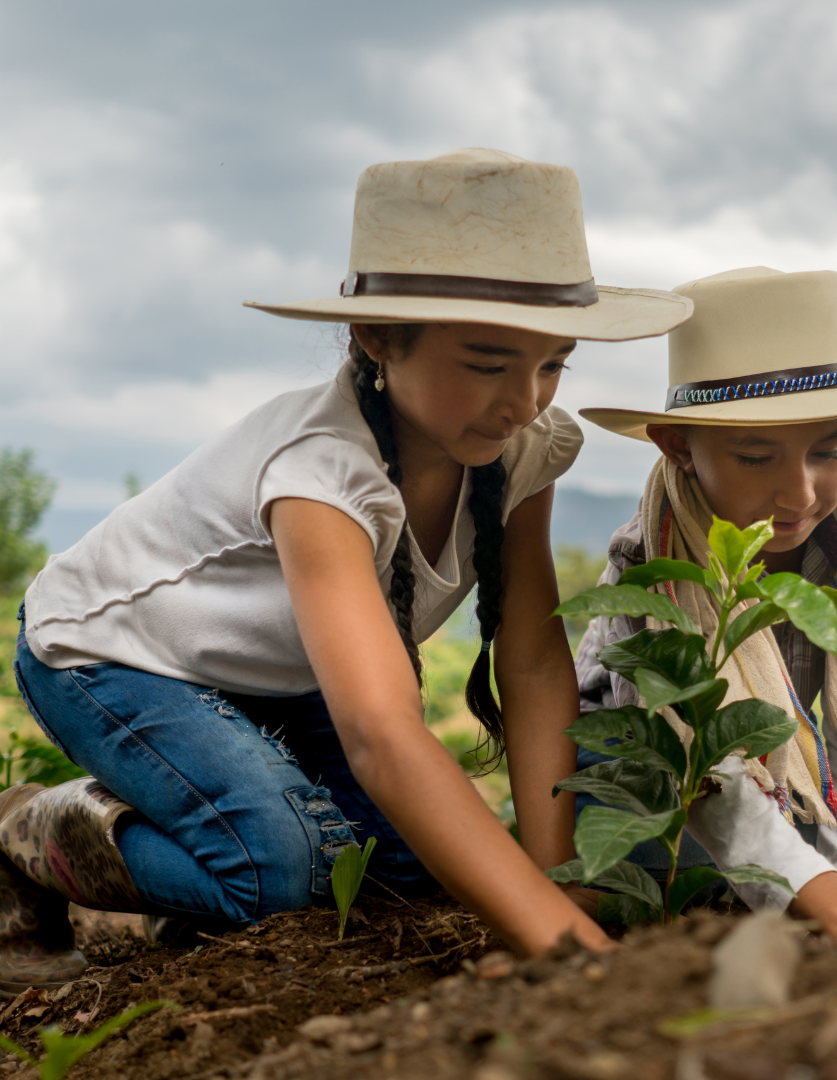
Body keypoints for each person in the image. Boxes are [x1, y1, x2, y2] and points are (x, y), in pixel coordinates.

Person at [0, 148, 694, 995]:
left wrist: (559, 887)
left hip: (281, 678)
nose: (524, 402)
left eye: (553, 363)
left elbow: (534, 661)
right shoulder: (320, 471)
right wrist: (566, 952)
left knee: (411, 871)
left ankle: (201, 861)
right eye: (488, 363)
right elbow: (379, 733)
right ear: (377, 336)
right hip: (114, 655)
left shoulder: (524, 450)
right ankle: (28, 832)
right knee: (283, 870)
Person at [574, 265, 837, 968]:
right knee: (683, 864)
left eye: (830, 449)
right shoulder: (652, 563)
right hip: (647, 786)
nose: (801, 493)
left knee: (819, 861)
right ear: (677, 447)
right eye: (757, 457)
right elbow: (708, 779)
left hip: (768, 786)